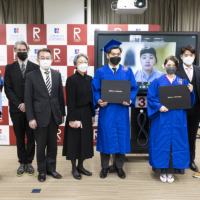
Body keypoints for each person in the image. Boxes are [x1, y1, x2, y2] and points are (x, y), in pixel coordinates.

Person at [91, 39, 139, 179]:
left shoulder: (127, 71)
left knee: (121, 137)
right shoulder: (101, 71)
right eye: (113, 54)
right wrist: (98, 100)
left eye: (118, 54)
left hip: (122, 111)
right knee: (106, 138)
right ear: (107, 55)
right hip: (107, 111)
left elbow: (134, 88)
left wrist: (130, 99)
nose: (116, 56)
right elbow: (95, 89)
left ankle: (119, 167)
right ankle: (104, 168)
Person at [147, 56, 195, 183]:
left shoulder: (183, 82)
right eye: (168, 64)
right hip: (162, 118)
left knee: (177, 144)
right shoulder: (157, 81)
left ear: (177, 67)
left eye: (173, 65)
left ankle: (172, 172)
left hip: (178, 119)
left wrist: (191, 91)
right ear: (164, 66)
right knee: (161, 143)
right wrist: (159, 107)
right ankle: (162, 172)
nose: (170, 67)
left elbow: (189, 102)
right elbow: (151, 98)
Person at [25, 48, 65, 182]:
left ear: (52, 59)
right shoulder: (31, 75)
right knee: (41, 146)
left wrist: (62, 114)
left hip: (54, 115)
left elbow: (60, 96)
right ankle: (41, 171)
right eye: (42, 58)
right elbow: (28, 99)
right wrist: (31, 117)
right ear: (37, 60)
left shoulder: (56, 75)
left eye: (48, 58)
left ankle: (51, 169)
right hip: (39, 116)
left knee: (53, 145)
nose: (45, 60)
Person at [4, 41, 39, 177]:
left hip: (32, 110)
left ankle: (29, 162)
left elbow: (37, 89)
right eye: (19, 50)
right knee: (19, 137)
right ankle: (21, 162)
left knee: (31, 137)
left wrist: (28, 105)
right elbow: (8, 89)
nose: (22, 51)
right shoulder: (9, 67)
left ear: (28, 51)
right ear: (15, 51)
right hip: (16, 109)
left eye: (24, 49)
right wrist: (19, 104)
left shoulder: (35, 67)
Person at [62, 53, 95, 180]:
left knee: (85, 141)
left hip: (87, 113)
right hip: (75, 113)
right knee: (74, 141)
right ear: (75, 64)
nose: (83, 64)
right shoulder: (71, 80)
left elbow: (92, 99)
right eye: (80, 61)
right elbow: (70, 101)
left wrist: (92, 115)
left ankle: (81, 166)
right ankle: (74, 168)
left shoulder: (90, 79)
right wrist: (72, 119)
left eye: (85, 61)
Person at [176, 45, 200, 173]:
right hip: (181, 109)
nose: (188, 57)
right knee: (180, 135)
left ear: (194, 57)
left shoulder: (199, 69)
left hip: (196, 109)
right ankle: (179, 160)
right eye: (186, 55)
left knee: (192, 135)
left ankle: (191, 160)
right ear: (181, 57)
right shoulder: (176, 71)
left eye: (191, 55)